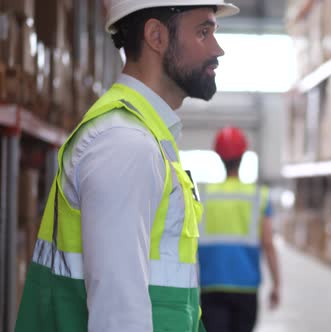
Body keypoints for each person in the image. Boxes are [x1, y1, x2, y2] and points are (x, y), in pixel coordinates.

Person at [14, 1, 239, 331]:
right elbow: (118, 316)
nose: (218, 49)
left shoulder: (144, 134)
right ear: (156, 36)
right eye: (203, 32)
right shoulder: (124, 143)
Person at [198, 127, 280, 332]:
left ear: (219, 157)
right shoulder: (258, 196)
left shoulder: (205, 195)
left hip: (211, 284)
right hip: (246, 287)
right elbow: (268, 243)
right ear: (243, 156)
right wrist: (277, 283)